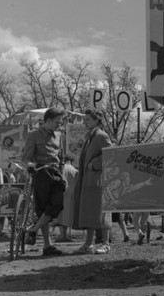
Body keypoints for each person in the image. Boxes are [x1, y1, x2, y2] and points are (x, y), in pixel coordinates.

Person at [23, 108, 67, 257]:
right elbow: (26, 157)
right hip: (40, 173)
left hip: (55, 174)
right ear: (48, 120)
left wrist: (62, 172)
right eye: (57, 122)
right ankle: (47, 246)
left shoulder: (59, 136)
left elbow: (61, 158)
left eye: (60, 122)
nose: (59, 125)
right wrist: (29, 164)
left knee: (57, 204)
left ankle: (33, 230)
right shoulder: (33, 135)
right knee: (42, 209)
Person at [73, 109, 113, 255]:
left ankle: (106, 244)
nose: (85, 122)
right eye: (85, 119)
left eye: (88, 119)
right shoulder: (91, 136)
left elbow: (111, 154)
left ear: (97, 120)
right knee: (90, 213)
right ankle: (88, 244)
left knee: (102, 212)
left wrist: (94, 164)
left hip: (98, 181)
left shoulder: (101, 136)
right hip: (89, 181)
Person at [53, 155, 78, 243]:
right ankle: (65, 234)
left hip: (60, 192)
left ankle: (61, 234)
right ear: (71, 161)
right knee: (67, 214)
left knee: (60, 214)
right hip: (71, 194)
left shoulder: (61, 168)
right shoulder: (74, 170)